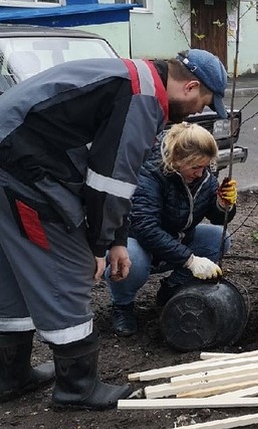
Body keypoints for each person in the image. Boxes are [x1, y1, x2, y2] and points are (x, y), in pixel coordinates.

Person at [0, 48, 229, 409]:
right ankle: (78, 389)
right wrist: (98, 245)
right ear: (191, 86)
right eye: (204, 101)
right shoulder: (142, 97)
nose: (201, 109)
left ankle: (10, 376)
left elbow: (113, 178)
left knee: (12, 272)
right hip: (21, 169)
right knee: (68, 271)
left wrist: (116, 238)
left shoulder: (133, 79)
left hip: (14, 159)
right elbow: (111, 183)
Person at [105, 122, 237, 337]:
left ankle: (171, 289)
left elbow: (216, 219)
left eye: (205, 167)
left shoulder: (203, 176)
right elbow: (145, 228)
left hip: (177, 239)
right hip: (138, 243)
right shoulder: (149, 174)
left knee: (218, 239)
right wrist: (191, 261)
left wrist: (224, 205)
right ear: (177, 160)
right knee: (132, 259)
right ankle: (122, 306)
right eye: (195, 167)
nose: (200, 173)